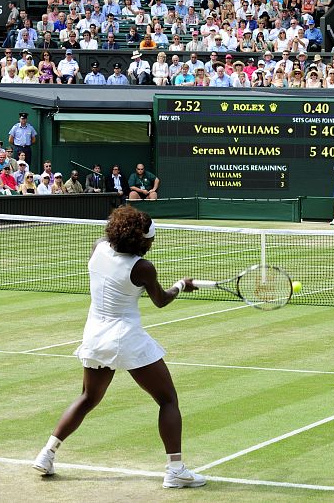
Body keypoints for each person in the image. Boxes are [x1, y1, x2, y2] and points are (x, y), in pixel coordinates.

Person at [32, 205, 206, 489]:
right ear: (141, 240)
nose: (151, 244)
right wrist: (180, 285)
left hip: (94, 335)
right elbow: (161, 300)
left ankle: (47, 454)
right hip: (126, 339)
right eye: (150, 240)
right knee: (167, 400)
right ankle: (175, 470)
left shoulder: (98, 247)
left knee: (88, 397)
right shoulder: (142, 267)